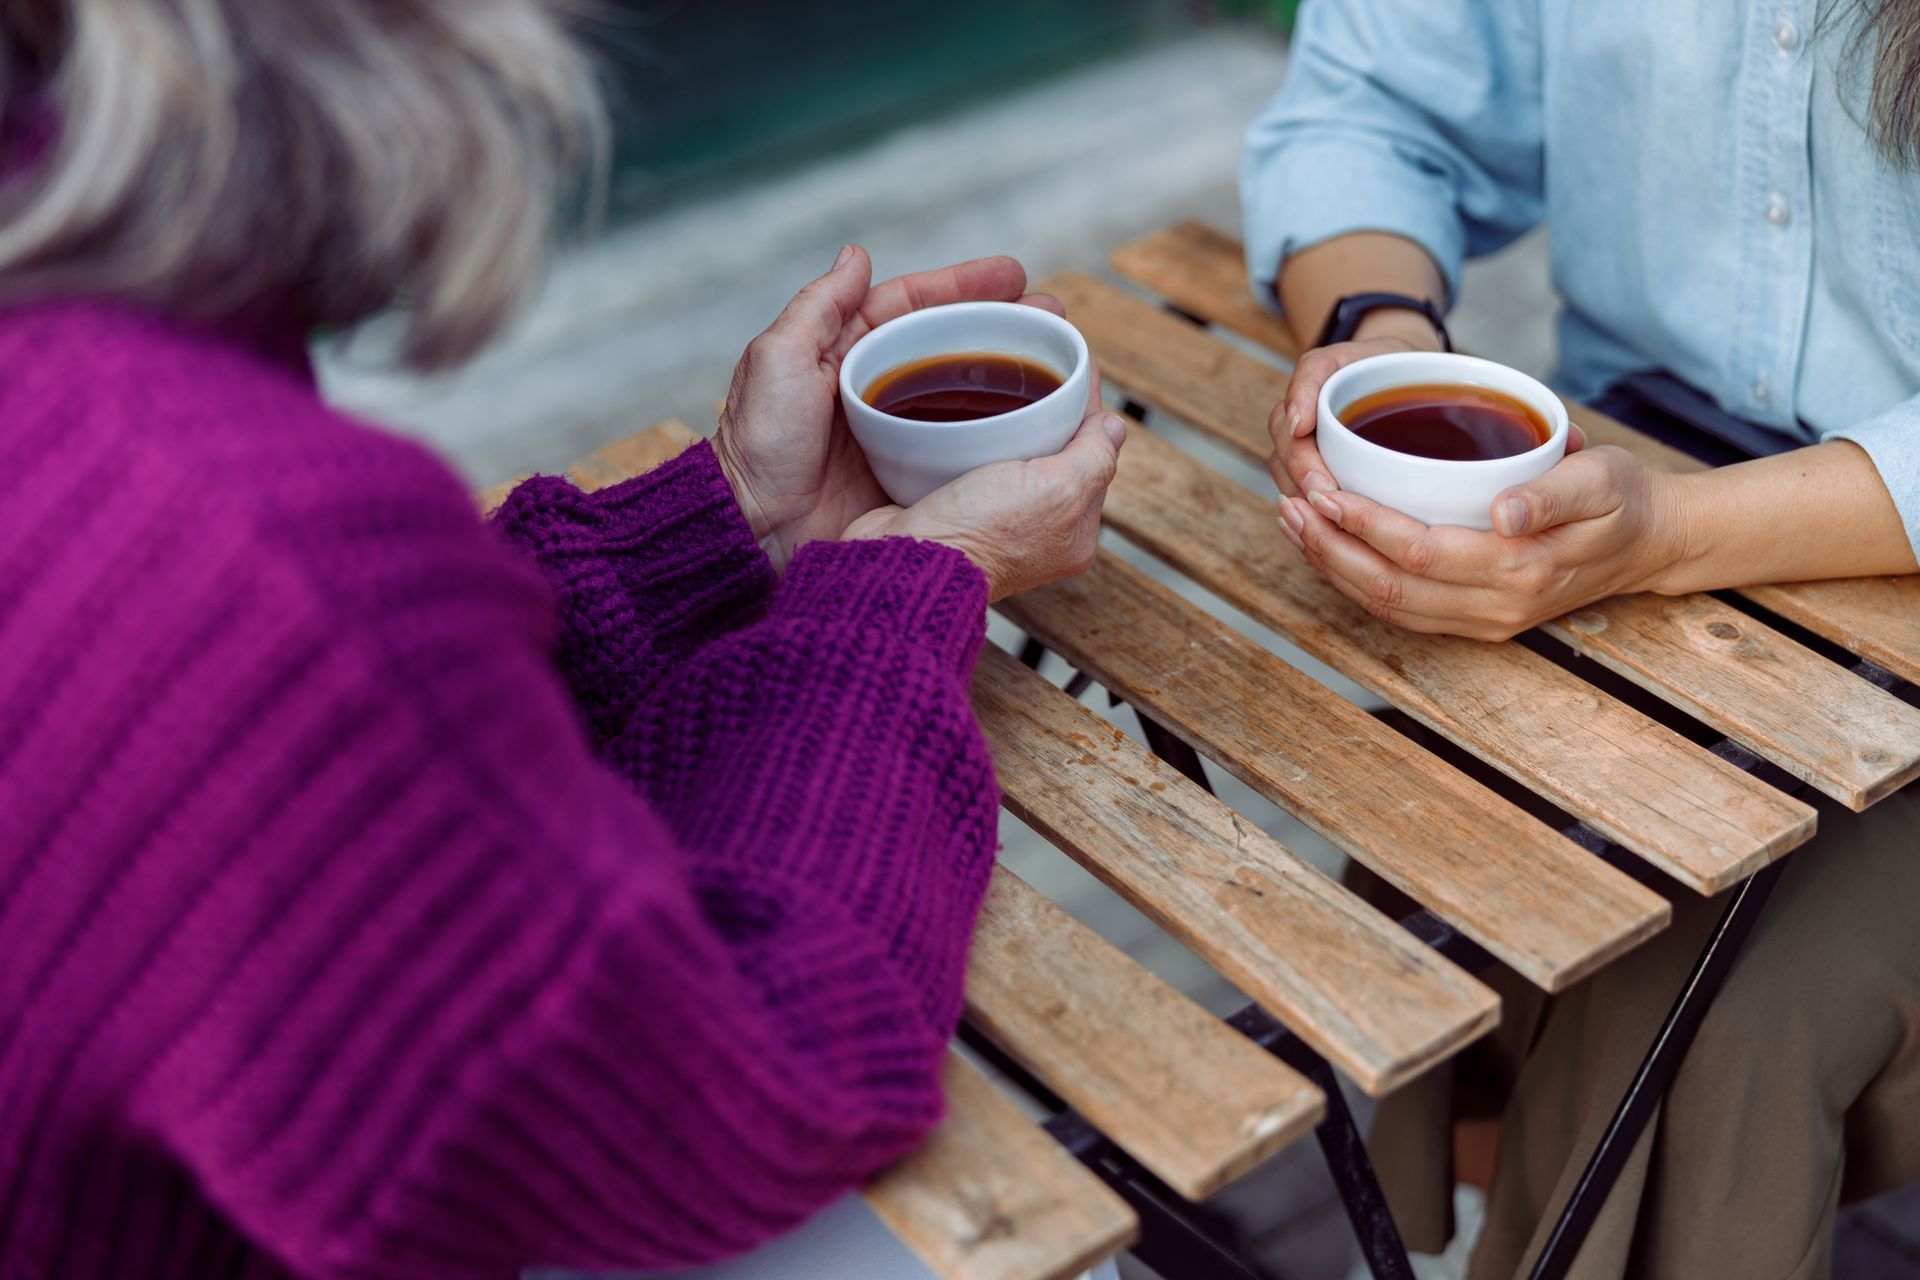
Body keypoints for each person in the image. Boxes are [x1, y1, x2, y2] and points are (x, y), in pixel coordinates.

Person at [0, 2, 1126, 1278]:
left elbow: (345, 773)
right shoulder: (246, 538)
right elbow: (747, 1099)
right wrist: (907, 587)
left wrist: (730, 521)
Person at [1242, 1, 1920, 1277]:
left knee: (1717, 1003)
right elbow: (1373, 104)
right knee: (1445, 809)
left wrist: (1675, 533)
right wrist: (1377, 342)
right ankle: (1471, 1231)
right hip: (1634, 496)